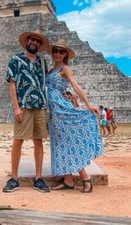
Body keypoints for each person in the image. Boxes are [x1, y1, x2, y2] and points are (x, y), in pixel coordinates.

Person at [46, 39, 104, 193]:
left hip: (61, 109)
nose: (58, 53)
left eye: (61, 51)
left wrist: (88, 104)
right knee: (60, 143)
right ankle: (68, 179)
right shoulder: (52, 69)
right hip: (53, 110)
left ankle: (85, 177)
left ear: (66, 54)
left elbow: (75, 86)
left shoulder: (65, 69)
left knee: (68, 143)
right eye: (55, 51)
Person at [3, 29, 50, 193]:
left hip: (40, 105)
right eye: (32, 40)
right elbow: (12, 84)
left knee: (38, 141)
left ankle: (38, 178)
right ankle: (14, 178)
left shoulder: (42, 63)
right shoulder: (16, 59)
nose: (35, 43)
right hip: (23, 105)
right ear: (27, 41)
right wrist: (16, 107)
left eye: (38, 41)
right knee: (18, 140)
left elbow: (46, 84)